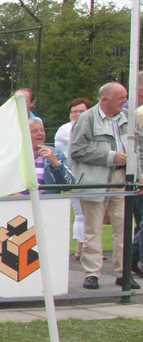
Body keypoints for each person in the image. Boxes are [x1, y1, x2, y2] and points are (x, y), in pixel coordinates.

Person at [68, 81, 131, 290]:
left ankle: (123, 273)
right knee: (93, 228)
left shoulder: (129, 118)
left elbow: (139, 147)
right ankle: (92, 273)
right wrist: (110, 157)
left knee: (123, 228)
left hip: (122, 179)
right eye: (121, 97)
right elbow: (76, 150)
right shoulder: (87, 118)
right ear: (105, 99)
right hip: (95, 180)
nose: (125, 101)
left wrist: (138, 175)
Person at [55, 98, 91, 259]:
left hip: (88, 175)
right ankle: (80, 249)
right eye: (74, 112)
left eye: (81, 111)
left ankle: (87, 247)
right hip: (73, 175)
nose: (77, 114)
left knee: (90, 214)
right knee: (81, 214)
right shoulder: (66, 129)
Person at [30, 119, 75, 191]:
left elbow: (69, 185)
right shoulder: (15, 154)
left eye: (42, 130)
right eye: (35, 131)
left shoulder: (56, 153)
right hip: (19, 198)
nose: (40, 133)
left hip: (48, 198)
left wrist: (56, 163)